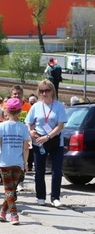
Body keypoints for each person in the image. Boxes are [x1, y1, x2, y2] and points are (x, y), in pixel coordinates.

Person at [25, 80, 67, 208]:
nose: (44, 93)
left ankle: (55, 197)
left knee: (56, 171)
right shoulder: (36, 106)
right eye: (42, 91)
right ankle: (40, 196)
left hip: (55, 141)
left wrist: (47, 137)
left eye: (47, 90)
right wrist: (30, 131)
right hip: (39, 141)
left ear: (52, 91)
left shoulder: (59, 106)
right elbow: (28, 122)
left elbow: (60, 125)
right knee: (39, 170)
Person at [0, 98, 30, 225]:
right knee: (11, 190)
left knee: (9, 190)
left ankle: (9, 213)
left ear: (6, 111)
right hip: (18, 163)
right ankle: (8, 213)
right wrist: (25, 163)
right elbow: (26, 147)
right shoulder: (24, 127)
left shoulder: (1, 126)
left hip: (4, 162)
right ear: (20, 112)